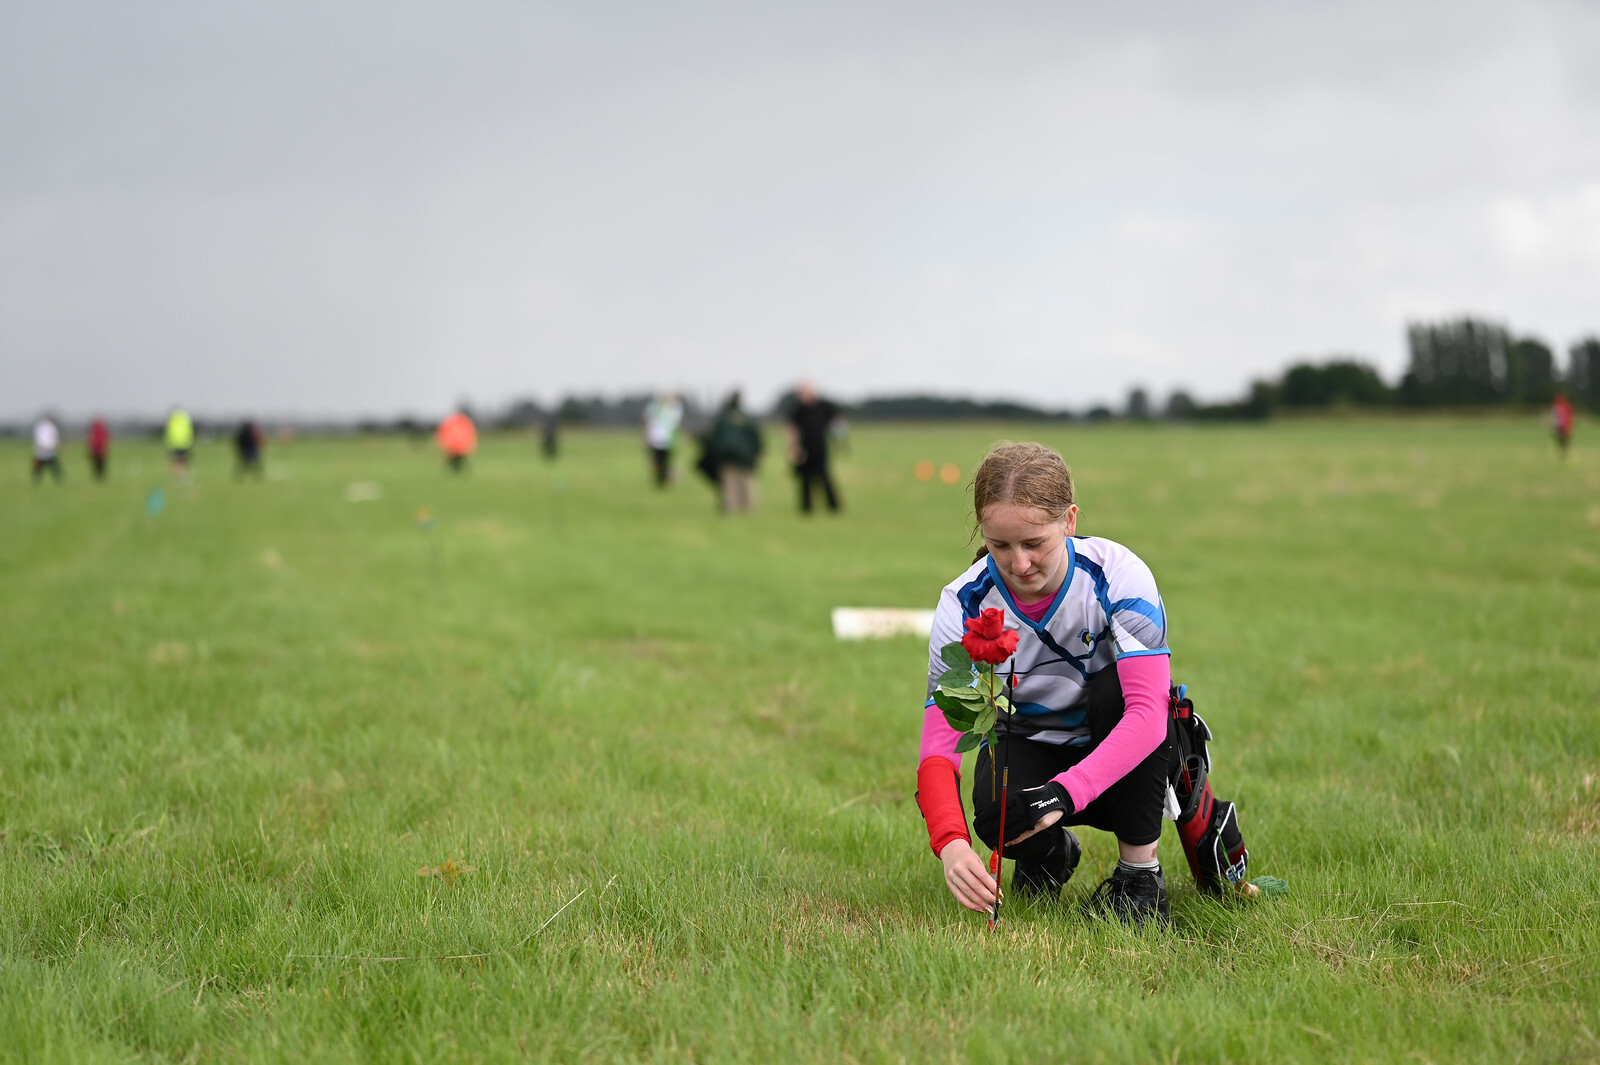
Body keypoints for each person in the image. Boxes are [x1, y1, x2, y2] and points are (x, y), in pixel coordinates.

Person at [915, 442, 1180, 927]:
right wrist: (951, 845)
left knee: (1121, 694)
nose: (1018, 565)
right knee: (993, 810)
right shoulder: (962, 604)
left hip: (1117, 743)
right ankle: (1050, 853)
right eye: (1000, 545)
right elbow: (939, 745)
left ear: (1070, 521)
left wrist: (1064, 792)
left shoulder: (1121, 576)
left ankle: (1139, 873)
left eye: (1035, 543)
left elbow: (1146, 714)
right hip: (1032, 740)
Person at [786, 382, 841, 514]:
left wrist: (838, 434)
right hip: (804, 449)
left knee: (824, 476)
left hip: (820, 447)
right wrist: (794, 446)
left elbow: (837, 422)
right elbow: (792, 428)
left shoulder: (824, 406)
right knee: (805, 479)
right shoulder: (799, 409)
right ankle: (806, 507)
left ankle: (833, 505)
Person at [704, 391, 763, 513]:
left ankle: (731, 509)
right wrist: (757, 453)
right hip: (745, 457)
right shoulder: (746, 418)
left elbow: (714, 439)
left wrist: (714, 455)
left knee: (730, 484)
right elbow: (755, 438)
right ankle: (748, 508)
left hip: (727, 457)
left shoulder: (723, 418)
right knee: (746, 482)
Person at [642, 393, 684, 487]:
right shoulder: (655, 408)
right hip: (656, 440)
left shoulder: (674, 410)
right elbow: (648, 422)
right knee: (657, 462)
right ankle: (661, 480)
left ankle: (666, 479)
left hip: (668, 441)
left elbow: (676, 423)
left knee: (666, 462)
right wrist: (646, 437)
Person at [436, 408, 478, 473]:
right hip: (455, 447)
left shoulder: (461, 423)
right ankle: (456, 470)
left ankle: (458, 470)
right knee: (455, 461)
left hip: (458, 447)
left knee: (458, 461)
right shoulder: (456, 423)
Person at [165, 407, 195, 480]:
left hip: (175, 444)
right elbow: (190, 431)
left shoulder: (172, 420)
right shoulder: (185, 419)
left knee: (176, 461)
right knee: (183, 460)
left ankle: (177, 476)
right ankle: (183, 476)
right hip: (185, 443)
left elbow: (169, 432)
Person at [32, 414, 62, 484]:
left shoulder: (42, 426)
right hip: (45, 449)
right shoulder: (48, 427)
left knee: (52, 465)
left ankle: (57, 479)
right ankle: (37, 480)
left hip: (47, 449)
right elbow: (51, 438)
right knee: (41, 466)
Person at [1552, 392, 1574, 457]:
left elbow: (1569, 417)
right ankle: (1562, 453)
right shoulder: (1558, 407)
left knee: (1564, 440)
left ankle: (1564, 453)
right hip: (1560, 427)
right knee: (1561, 440)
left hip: (1564, 426)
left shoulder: (1565, 406)